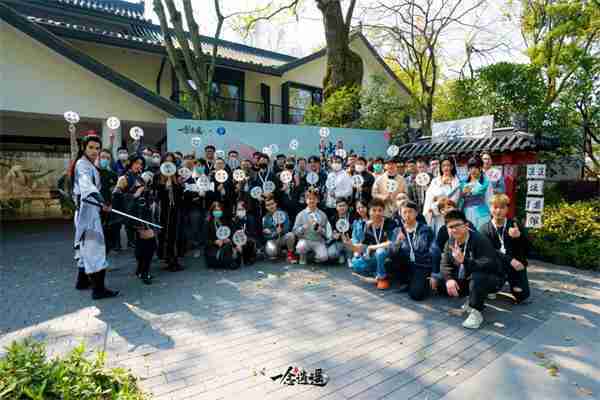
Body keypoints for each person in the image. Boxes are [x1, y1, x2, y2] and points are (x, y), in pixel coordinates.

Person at [435, 210, 503, 329]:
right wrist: (449, 279)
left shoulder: (480, 240)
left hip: (491, 278)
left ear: (466, 225)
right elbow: (444, 264)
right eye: (450, 227)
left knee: (477, 277)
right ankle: (472, 298)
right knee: (441, 280)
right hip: (468, 277)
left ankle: (476, 312)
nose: (454, 229)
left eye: (457, 225)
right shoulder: (450, 242)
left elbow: (489, 265)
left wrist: (464, 260)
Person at [71, 134, 119, 299]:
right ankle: (99, 290)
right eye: (91, 147)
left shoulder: (88, 164)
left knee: (85, 249)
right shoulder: (82, 165)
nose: (94, 151)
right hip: (88, 213)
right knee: (95, 249)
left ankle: (82, 281)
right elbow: (86, 185)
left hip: (88, 211)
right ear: (83, 148)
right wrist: (101, 201)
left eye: (97, 148)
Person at [479, 194, 530, 304]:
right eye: (495, 207)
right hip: (496, 264)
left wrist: (519, 237)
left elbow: (527, 249)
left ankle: (513, 283)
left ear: (507, 209)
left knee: (522, 296)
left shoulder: (514, 225)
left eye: (502, 207)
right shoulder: (484, 228)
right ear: (490, 208)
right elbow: (489, 251)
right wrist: (510, 260)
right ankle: (493, 286)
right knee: (491, 283)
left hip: (515, 264)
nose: (498, 211)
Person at [345, 198, 395, 290]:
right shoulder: (367, 225)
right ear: (369, 211)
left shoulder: (389, 222)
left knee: (380, 252)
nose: (377, 213)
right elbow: (364, 246)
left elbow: (390, 243)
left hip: (389, 254)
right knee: (356, 263)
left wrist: (372, 247)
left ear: (383, 211)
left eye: (380, 210)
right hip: (374, 255)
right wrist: (351, 246)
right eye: (374, 210)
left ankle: (382, 278)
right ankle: (378, 272)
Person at [392, 201, 434, 301]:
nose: (407, 215)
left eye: (410, 211)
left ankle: (421, 282)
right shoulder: (398, 230)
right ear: (400, 214)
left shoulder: (425, 229)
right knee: (391, 259)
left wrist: (435, 273)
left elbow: (433, 251)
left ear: (416, 213)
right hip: (407, 264)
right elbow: (392, 253)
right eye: (404, 212)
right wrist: (397, 242)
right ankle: (406, 281)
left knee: (416, 295)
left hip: (421, 265)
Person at [157, 153, 185, 272]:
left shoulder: (176, 175)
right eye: (166, 161)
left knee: (174, 233)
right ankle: (166, 257)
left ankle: (173, 257)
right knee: (165, 232)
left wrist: (179, 184)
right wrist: (165, 186)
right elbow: (158, 195)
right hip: (164, 209)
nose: (169, 164)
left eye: (171, 161)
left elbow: (180, 195)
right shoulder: (158, 176)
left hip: (175, 208)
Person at [423, 156, 461, 235]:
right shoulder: (435, 181)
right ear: (440, 167)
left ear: (452, 166)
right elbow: (429, 199)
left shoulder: (457, 182)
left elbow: (456, 201)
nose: (446, 168)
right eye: (443, 165)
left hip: (452, 216)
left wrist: (441, 200)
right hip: (437, 217)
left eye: (448, 165)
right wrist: (437, 204)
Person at [293, 188, 332, 265]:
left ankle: (314, 256)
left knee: (324, 257)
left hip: (318, 241)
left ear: (318, 200)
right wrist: (302, 228)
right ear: (306, 200)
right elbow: (294, 231)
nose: (312, 201)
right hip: (305, 240)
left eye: (314, 199)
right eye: (309, 198)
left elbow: (327, 233)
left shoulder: (322, 215)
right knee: (300, 247)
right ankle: (303, 256)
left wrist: (321, 230)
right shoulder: (301, 214)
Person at [262, 194, 297, 263]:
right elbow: (265, 236)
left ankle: (290, 254)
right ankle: (279, 252)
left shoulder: (283, 213)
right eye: (268, 205)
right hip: (273, 240)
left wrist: (281, 230)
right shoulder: (265, 218)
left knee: (290, 235)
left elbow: (287, 228)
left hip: (282, 238)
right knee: (271, 252)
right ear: (266, 207)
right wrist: (275, 233)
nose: (271, 206)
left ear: (276, 204)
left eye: (272, 204)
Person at [205, 201, 240, 269]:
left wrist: (229, 239)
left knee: (229, 247)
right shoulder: (208, 222)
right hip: (214, 248)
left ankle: (229, 261)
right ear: (212, 211)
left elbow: (232, 233)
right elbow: (205, 239)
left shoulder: (226, 221)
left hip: (226, 245)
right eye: (216, 210)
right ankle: (228, 262)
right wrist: (215, 241)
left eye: (219, 210)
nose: (218, 212)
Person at [460, 156, 491, 230]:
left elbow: (489, 199)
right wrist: (463, 194)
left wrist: (491, 213)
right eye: (471, 168)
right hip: (466, 212)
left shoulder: (486, 182)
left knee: (481, 232)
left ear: (480, 168)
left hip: (482, 213)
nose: (473, 170)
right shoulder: (463, 182)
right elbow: (459, 200)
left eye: (475, 168)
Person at [324, 155, 353, 219]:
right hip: (329, 205)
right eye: (334, 162)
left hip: (340, 207)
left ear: (342, 163)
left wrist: (336, 194)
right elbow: (328, 188)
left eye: (338, 162)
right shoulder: (330, 175)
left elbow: (349, 191)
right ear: (331, 163)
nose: (336, 164)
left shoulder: (345, 175)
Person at [231, 200, 260, 266]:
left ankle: (250, 257)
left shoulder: (250, 218)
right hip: (237, 242)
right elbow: (232, 234)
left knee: (250, 242)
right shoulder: (234, 220)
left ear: (246, 210)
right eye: (239, 209)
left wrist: (244, 238)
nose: (241, 211)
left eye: (242, 209)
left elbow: (252, 233)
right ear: (236, 211)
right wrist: (237, 244)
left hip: (247, 240)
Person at [327, 197, 353, 265]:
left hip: (350, 242)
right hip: (338, 242)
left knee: (353, 251)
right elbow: (329, 234)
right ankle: (341, 254)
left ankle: (349, 257)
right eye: (340, 206)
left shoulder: (352, 217)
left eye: (344, 205)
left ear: (347, 206)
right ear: (336, 207)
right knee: (331, 254)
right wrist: (333, 236)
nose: (342, 208)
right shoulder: (332, 218)